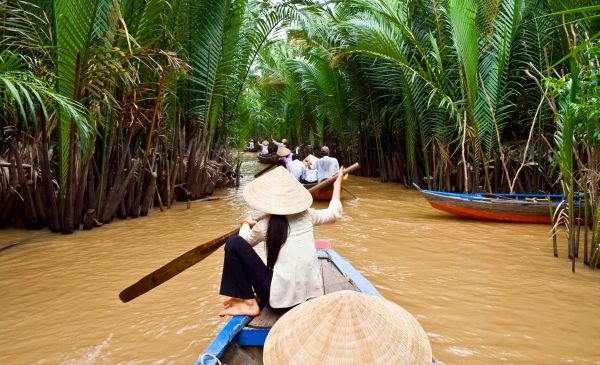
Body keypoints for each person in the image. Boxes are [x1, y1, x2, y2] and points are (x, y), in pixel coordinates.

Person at [218, 166, 348, 316]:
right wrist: (337, 184)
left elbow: (243, 242)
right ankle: (253, 299)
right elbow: (334, 213)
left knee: (233, 243)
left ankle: (249, 302)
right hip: (312, 297)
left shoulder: (265, 223)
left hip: (278, 304)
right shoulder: (307, 215)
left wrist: (246, 225)